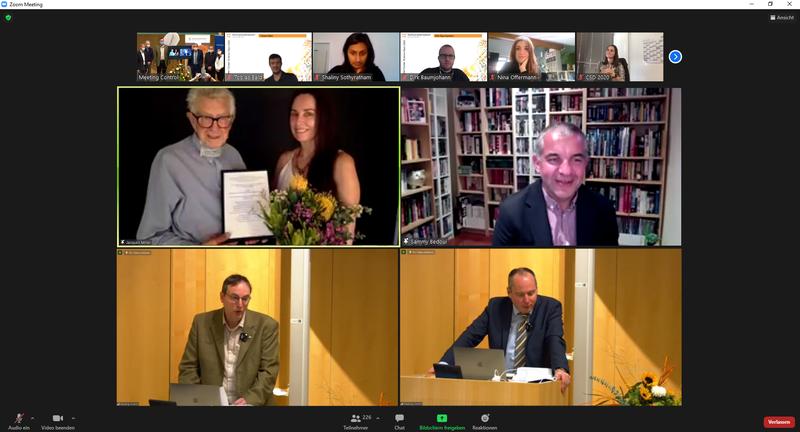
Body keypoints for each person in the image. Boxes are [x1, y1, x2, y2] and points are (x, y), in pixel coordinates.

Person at [434, 268, 571, 393]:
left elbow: (555, 338)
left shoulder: (550, 308)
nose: (527, 300)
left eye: (531, 293)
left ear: (537, 289)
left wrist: (561, 368)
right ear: (509, 293)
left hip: (535, 387)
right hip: (500, 385)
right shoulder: (495, 307)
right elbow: (470, 336)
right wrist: (444, 364)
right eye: (520, 295)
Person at [137, 88, 245, 245]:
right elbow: (149, 238)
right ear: (193, 120)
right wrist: (199, 252)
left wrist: (252, 233)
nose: (215, 128)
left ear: (231, 120)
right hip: (190, 264)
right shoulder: (168, 160)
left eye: (222, 118)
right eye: (205, 118)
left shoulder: (234, 155)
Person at [492, 123, 618, 246]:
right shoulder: (511, 212)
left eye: (576, 160)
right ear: (537, 164)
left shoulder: (604, 210)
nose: (566, 171)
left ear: (586, 163)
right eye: (553, 159)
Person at [179, 274, 279, 406]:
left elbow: (268, 372)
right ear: (222, 297)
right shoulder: (202, 323)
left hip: (251, 403)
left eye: (245, 299)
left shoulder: (266, 326)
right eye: (234, 298)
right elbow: (188, 367)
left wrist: (250, 399)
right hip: (210, 403)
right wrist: (198, 398)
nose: (240, 304)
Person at [274, 90, 361, 242]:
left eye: (308, 114)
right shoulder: (284, 160)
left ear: (323, 118)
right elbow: (272, 216)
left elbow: (346, 237)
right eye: (294, 113)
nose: (298, 121)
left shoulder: (342, 163)